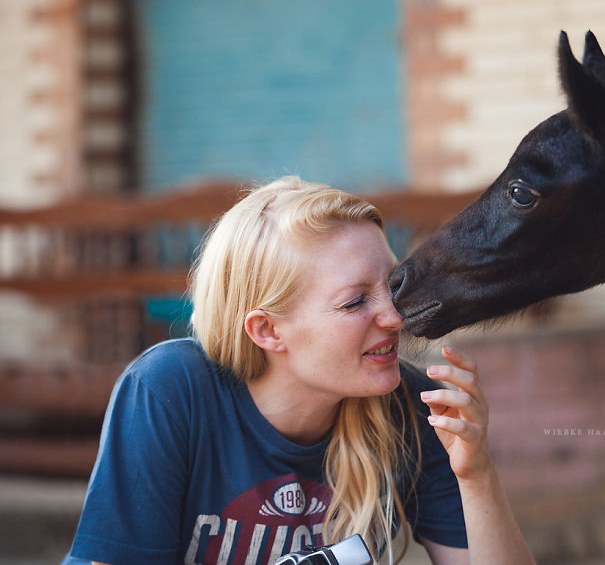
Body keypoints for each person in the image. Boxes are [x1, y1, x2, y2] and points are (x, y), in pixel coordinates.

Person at [63, 176, 534, 565]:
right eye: (354, 302)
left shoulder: (410, 406)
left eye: (391, 286)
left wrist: (476, 476)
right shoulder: (169, 390)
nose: (394, 317)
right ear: (267, 331)